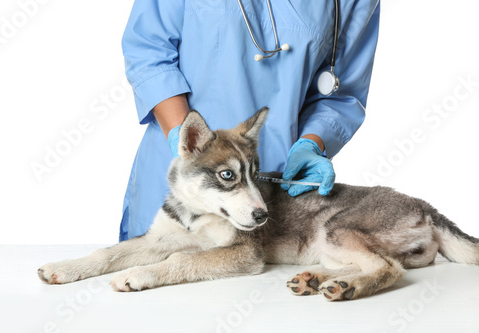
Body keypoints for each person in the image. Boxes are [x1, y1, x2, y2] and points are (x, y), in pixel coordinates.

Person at [119, 0, 381, 241]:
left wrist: (312, 144)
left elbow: (340, 93)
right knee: (155, 275)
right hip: (183, 178)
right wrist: (184, 137)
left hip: (275, 191)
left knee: (259, 280)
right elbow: (148, 52)